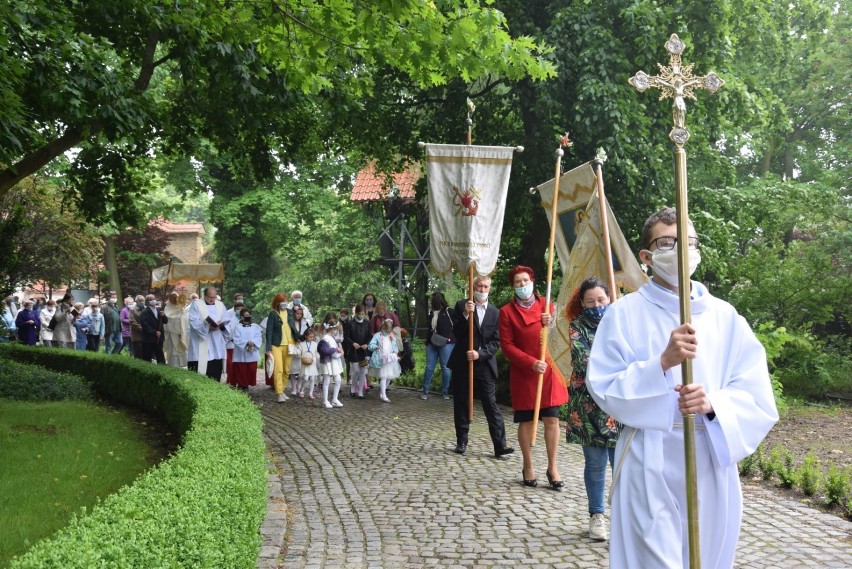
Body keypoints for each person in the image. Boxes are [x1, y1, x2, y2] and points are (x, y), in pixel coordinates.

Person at [587, 207, 779, 569]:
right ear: (646, 257)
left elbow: (755, 393)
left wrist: (714, 403)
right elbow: (604, 385)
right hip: (649, 455)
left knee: (704, 557)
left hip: (708, 456)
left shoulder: (725, 317)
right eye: (667, 242)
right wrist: (661, 363)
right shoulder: (624, 313)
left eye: (688, 241)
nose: (681, 249)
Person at [499, 265, 567, 489]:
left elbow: (562, 336)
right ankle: (528, 465)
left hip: (548, 371)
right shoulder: (507, 312)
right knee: (527, 420)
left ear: (533, 281)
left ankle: (553, 466)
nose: (522, 285)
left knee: (552, 419)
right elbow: (507, 346)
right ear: (513, 286)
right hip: (524, 373)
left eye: (525, 280)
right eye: (518, 282)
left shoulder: (547, 306)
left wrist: (552, 322)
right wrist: (530, 363)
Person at [566, 277, 620, 540]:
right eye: (591, 301)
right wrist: (617, 365)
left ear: (609, 298)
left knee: (622, 463)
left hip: (620, 404)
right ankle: (596, 516)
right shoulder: (577, 327)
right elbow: (583, 361)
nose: (597, 305)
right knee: (596, 463)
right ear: (583, 304)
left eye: (601, 300)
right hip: (588, 406)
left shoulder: (622, 324)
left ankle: (623, 515)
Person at [448, 275, 513, 458]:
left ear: (489, 289)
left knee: (490, 404)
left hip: (484, 364)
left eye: (485, 287)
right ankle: (461, 441)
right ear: (473, 287)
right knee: (461, 402)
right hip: (463, 363)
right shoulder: (462, 305)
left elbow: (496, 341)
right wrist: (465, 315)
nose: (482, 289)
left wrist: (480, 353)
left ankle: (500, 446)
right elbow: (457, 333)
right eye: (479, 286)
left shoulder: (496, 313)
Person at [188, 286, 229, 380]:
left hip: (216, 344)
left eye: (214, 297)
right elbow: (193, 321)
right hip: (201, 343)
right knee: (201, 375)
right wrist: (208, 328)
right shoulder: (196, 304)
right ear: (204, 295)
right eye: (210, 297)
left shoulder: (220, 305)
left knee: (215, 372)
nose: (212, 299)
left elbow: (227, 320)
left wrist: (221, 326)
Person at [264, 293, 299, 402]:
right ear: (277, 303)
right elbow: (269, 331)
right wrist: (268, 348)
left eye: (285, 300)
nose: (284, 303)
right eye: (282, 301)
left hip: (290, 344)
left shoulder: (290, 312)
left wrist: (298, 338)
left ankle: (282, 390)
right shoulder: (273, 314)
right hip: (276, 345)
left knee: (286, 370)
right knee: (278, 369)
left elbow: (293, 327)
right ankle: (279, 392)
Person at [422, 292, 455, 400]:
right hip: (432, 342)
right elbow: (430, 328)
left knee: (445, 368)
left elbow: (456, 326)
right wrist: (427, 342)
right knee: (429, 368)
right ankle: (425, 391)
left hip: (446, 343)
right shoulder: (431, 313)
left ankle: (445, 392)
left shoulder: (449, 311)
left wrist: (451, 339)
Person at [367, 319, 400, 403]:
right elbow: (370, 345)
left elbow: (395, 346)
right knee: (384, 376)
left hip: (390, 359)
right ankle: (384, 396)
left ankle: (382, 392)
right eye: (388, 329)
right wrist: (375, 347)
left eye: (390, 329)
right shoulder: (378, 335)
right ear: (384, 328)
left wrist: (395, 352)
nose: (389, 331)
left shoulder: (391, 335)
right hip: (381, 359)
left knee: (389, 376)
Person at [229, 307, 261, 390]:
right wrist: (246, 343)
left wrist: (253, 343)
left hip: (252, 351)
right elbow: (236, 338)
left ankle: (247, 384)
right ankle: (242, 386)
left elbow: (258, 337)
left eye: (249, 315)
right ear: (242, 317)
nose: (248, 316)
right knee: (241, 370)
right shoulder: (237, 327)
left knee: (251, 370)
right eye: (246, 315)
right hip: (241, 353)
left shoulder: (255, 327)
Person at [317, 313, 345, 408]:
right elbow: (324, 350)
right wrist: (336, 350)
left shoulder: (332, 338)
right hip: (327, 362)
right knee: (326, 381)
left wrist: (339, 352)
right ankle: (325, 400)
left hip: (334, 361)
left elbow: (334, 349)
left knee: (338, 379)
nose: (337, 330)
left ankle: (335, 399)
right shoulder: (325, 339)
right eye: (336, 329)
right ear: (332, 329)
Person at [346, 304, 372, 398]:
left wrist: (367, 344)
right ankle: (353, 387)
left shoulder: (367, 323)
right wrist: (353, 343)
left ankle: (360, 391)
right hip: (354, 350)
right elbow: (347, 336)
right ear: (356, 313)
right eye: (359, 313)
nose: (361, 315)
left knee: (363, 371)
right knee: (356, 370)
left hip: (363, 350)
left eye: (363, 313)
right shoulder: (350, 323)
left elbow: (370, 335)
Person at [288, 304, 311, 397]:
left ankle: (299, 387)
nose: (299, 315)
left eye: (300, 314)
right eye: (297, 313)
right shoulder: (290, 322)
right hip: (292, 346)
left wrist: (301, 340)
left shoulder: (305, 322)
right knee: (293, 370)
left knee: (302, 370)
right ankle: (293, 388)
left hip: (302, 345)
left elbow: (307, 333)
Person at [140, 294, 168, 364]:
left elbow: (165, 321)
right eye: (151, 299)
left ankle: (162, 368)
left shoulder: (159, 310)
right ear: (147, 302)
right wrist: (154, 332)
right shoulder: (144, 312)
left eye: (154, 299)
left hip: (159, 338)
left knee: (160, 355)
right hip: (149, 338)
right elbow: (144, 325)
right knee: (147, 356)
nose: (153, 301)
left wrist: (163, 315)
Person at [163, 293, 189, 367]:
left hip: (181, 333)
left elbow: (186, 317)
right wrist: (178, 318)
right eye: (173, 297)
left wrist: (182, 314)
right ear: (170, 298)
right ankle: (173, 364)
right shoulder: (167, 307)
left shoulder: (181, 306)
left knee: (181, 349)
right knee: (173, 351)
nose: (175, 299)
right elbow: (167, 319)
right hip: (172, 333)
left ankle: (183, 364)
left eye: (176, 297)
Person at [223, 295, 245, 381]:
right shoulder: (229, 313)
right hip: (231, 343)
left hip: (242, 344)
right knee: (231, 364)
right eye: (238, 299)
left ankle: (240, 380)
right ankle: (231, 380)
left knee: (240, 364)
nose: (240, 300)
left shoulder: (246, 315)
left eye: (241, 299)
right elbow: (226, 328)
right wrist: (230, 338)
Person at [297, 326, 319, 399]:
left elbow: (316, 353)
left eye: (313, 337)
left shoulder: (315, 344)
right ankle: (302, 389)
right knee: (306, 378)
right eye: (310, 337)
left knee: (313, 379)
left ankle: (310, 393)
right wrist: (300, 355)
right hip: (304, 363)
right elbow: (299, 353)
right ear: (306, 336)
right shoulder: (302, 344)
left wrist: (319, 358)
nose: (312, 338)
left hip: (312, 363)